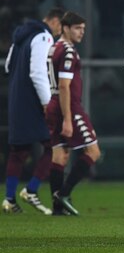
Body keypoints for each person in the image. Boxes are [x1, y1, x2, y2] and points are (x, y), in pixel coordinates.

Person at [3, 7, 63, 214]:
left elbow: (8, 66)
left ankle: (9, 200)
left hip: (17, 99)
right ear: (55, 21)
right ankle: (31, 190)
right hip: (34, 101)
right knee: (54, 145)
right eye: (60, 28)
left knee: (18, 151)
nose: (58, 33)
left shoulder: (21, 35)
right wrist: (47, 102)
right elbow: (37, 71)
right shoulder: (43, 37)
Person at [46, 12, 101, 216]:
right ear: (65, 28)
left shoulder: (54, 47)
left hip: (53, 103)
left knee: (60, 156)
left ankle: (57, 209)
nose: (81, 32)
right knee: (93, 151)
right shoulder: (68, 51)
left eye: (83, 29)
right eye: (77, 28)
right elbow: (64, 85)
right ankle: (64, 194)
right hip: (68, 106)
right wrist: (68, 118)